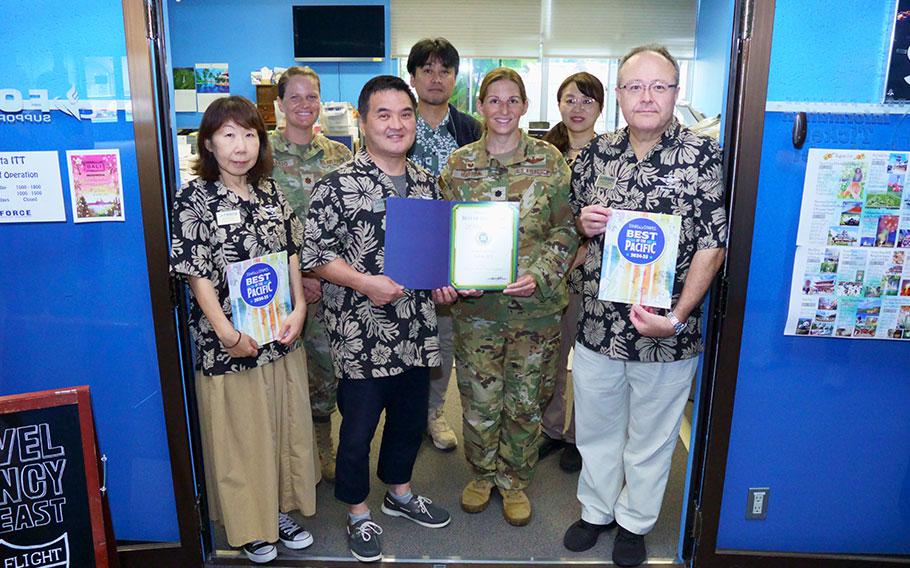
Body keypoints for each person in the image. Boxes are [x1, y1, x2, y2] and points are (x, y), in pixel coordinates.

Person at [563, 45, 727, 567]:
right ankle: (596, 510)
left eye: (659, 86)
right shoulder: (595, 154)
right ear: (619, 95)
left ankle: (634, 521)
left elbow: (713, 245)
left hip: (666, 332)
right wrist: (583, 224)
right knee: (596, 429)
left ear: (677, 93)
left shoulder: (704, 158)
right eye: (635, 86)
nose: (647, 97)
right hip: (598, 327)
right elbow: (576, 226)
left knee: (652, 438)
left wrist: (676, 317)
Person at [301, 75, 453, 564]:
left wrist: (444, 281)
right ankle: (358, 511)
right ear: (362, 121)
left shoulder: (430, 185)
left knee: (409, 422)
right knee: (358, 429)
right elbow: (315, 255)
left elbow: (437, 257)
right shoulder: (337, 186)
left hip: (416, 330)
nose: (396, 124)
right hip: (360, 333)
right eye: (383, 114)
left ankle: (400, 493)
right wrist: (365, 282)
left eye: (405, 114)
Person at [169, 96, 319, 564]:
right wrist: (229, 335)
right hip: (231, 345)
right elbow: (196, 276)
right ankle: (248, 525)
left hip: (279, 337)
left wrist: (298, 310)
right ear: (209, 143)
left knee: (278, 429)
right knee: (241, 436)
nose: (241, 145)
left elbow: (292, 252)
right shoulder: (193, 199)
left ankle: (274, 511)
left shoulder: (270, 192)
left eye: (250, 134)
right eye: (229, 135)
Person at [438, 67, 578, 526]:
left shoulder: (551, 161)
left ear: (523, 106)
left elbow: (566, 229)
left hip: (534, 311)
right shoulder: (458, 166)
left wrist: (539, 274)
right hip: (477, 311)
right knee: (479, 399)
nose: (503, 109)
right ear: (480, 106)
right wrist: (454, 276)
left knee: (525, 401)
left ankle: (514, 480)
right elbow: (444, 235)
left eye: (512, 100)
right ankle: (481, 475)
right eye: (493, 100)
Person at [270, 66, 353, 482]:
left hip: (330, 286)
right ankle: (285, 463)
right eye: (296, 97)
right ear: (280, 103)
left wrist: (323, 271)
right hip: (275, 290)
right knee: (279, 375)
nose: (305, 105)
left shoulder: (339, 155)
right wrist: (297, 275)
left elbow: (350, 220)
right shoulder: (261, 153)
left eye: (312, 97)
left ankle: (323, 451)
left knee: (325, 374)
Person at [406, 37, 483, 452]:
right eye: (427, 70)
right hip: (409, 244)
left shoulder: (470, 127)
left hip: (457, 248)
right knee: (406, 329)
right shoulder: (399, 121)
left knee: (445, 336)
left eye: (445, 71)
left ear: (455, 77)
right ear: (413, 76)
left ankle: (434, 413)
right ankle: (408, 415)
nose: (436, 78)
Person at [539, 72, 605, 474]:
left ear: (600, 107)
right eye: (569, 99)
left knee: (589, 363)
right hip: (550, 274)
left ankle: (579, 436)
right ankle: (550, 429)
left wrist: (577, 255)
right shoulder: (544, 152)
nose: (577, 108)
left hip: (593, 275)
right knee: (552, 357)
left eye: (587, 101)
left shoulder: (613, 153)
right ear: (558, 103)